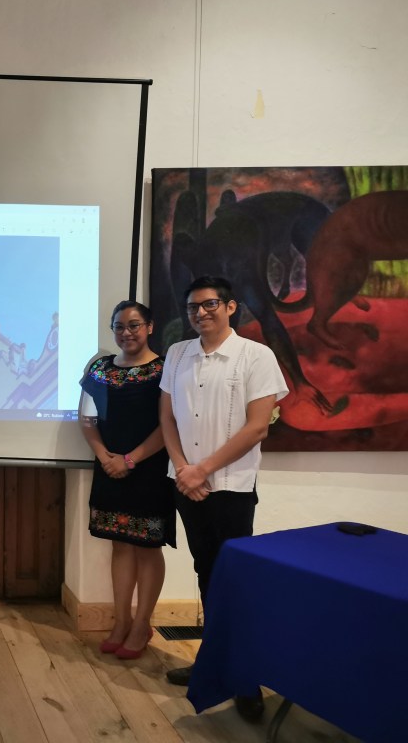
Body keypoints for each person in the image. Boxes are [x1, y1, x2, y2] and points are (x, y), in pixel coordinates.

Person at [159, 275, 288, 721]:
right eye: (193, 307)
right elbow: (167, 418)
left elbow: (257, 427)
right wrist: (183, 468)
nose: (200, 313)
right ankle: (211, 664)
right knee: (206, 573)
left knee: (235, 580)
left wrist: (203, 469)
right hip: (186, 485)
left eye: (210, 304)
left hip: (230, 486)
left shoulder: (256, 355)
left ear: (230, 307)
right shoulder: (178, 353)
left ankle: (245, 678)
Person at [80, 300, 175, 661]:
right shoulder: (100, 368)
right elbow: (87, 419)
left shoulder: (166, 369)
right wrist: (105, 457)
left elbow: (169, 425)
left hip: (150, 470)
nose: (126, 333)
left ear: (149, 327)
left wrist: (130, 459)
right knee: (120, 545)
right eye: (119, 326)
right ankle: (121, 622)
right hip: (109, 468)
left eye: (134, 325)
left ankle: (142, 625)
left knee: (148, 547)